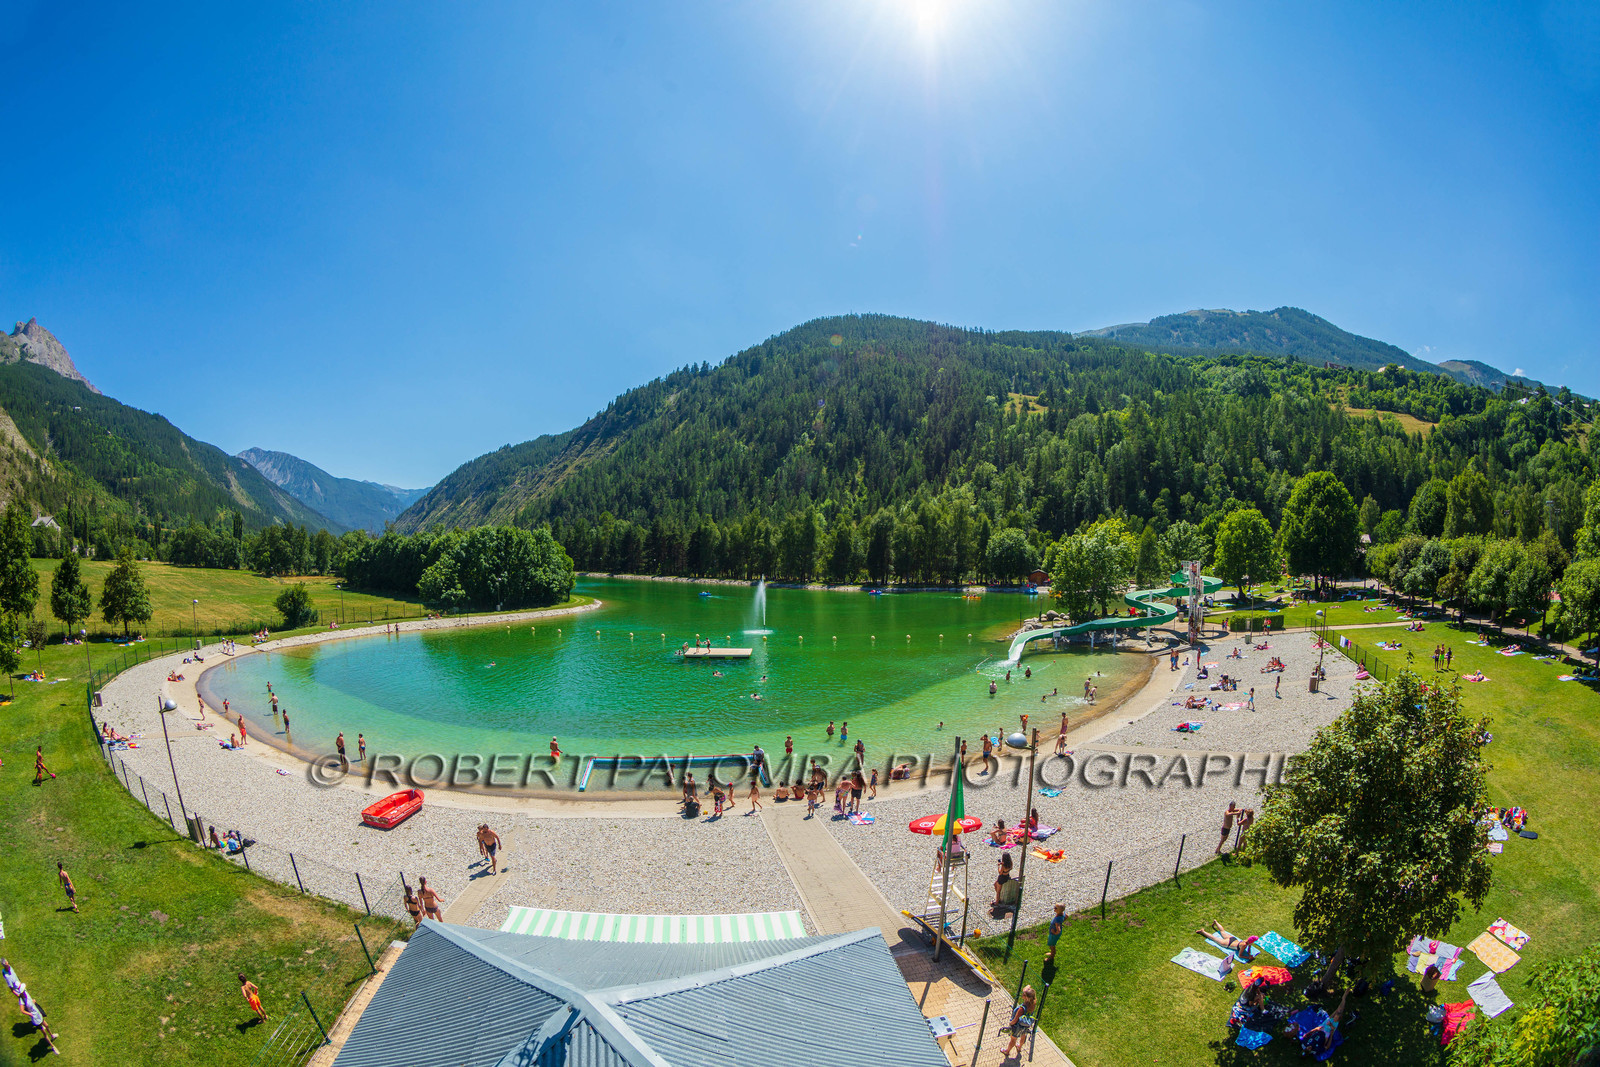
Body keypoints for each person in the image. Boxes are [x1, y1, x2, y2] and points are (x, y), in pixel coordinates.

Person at [1003, 985, 1036, 1058]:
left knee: (1013, 1039)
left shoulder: (1021, 1009)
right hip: (1025, 1025)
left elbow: (1015, 1020)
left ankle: (1007, 1051)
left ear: (1026, 997)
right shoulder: (1033, 1002)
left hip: (1017, 1026)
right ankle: (1019, 1047)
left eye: (1024, 994)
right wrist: (1027, 990)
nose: (1022, 994)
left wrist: (1010, 1024)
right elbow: (1028, 987)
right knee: (1023, 1035)